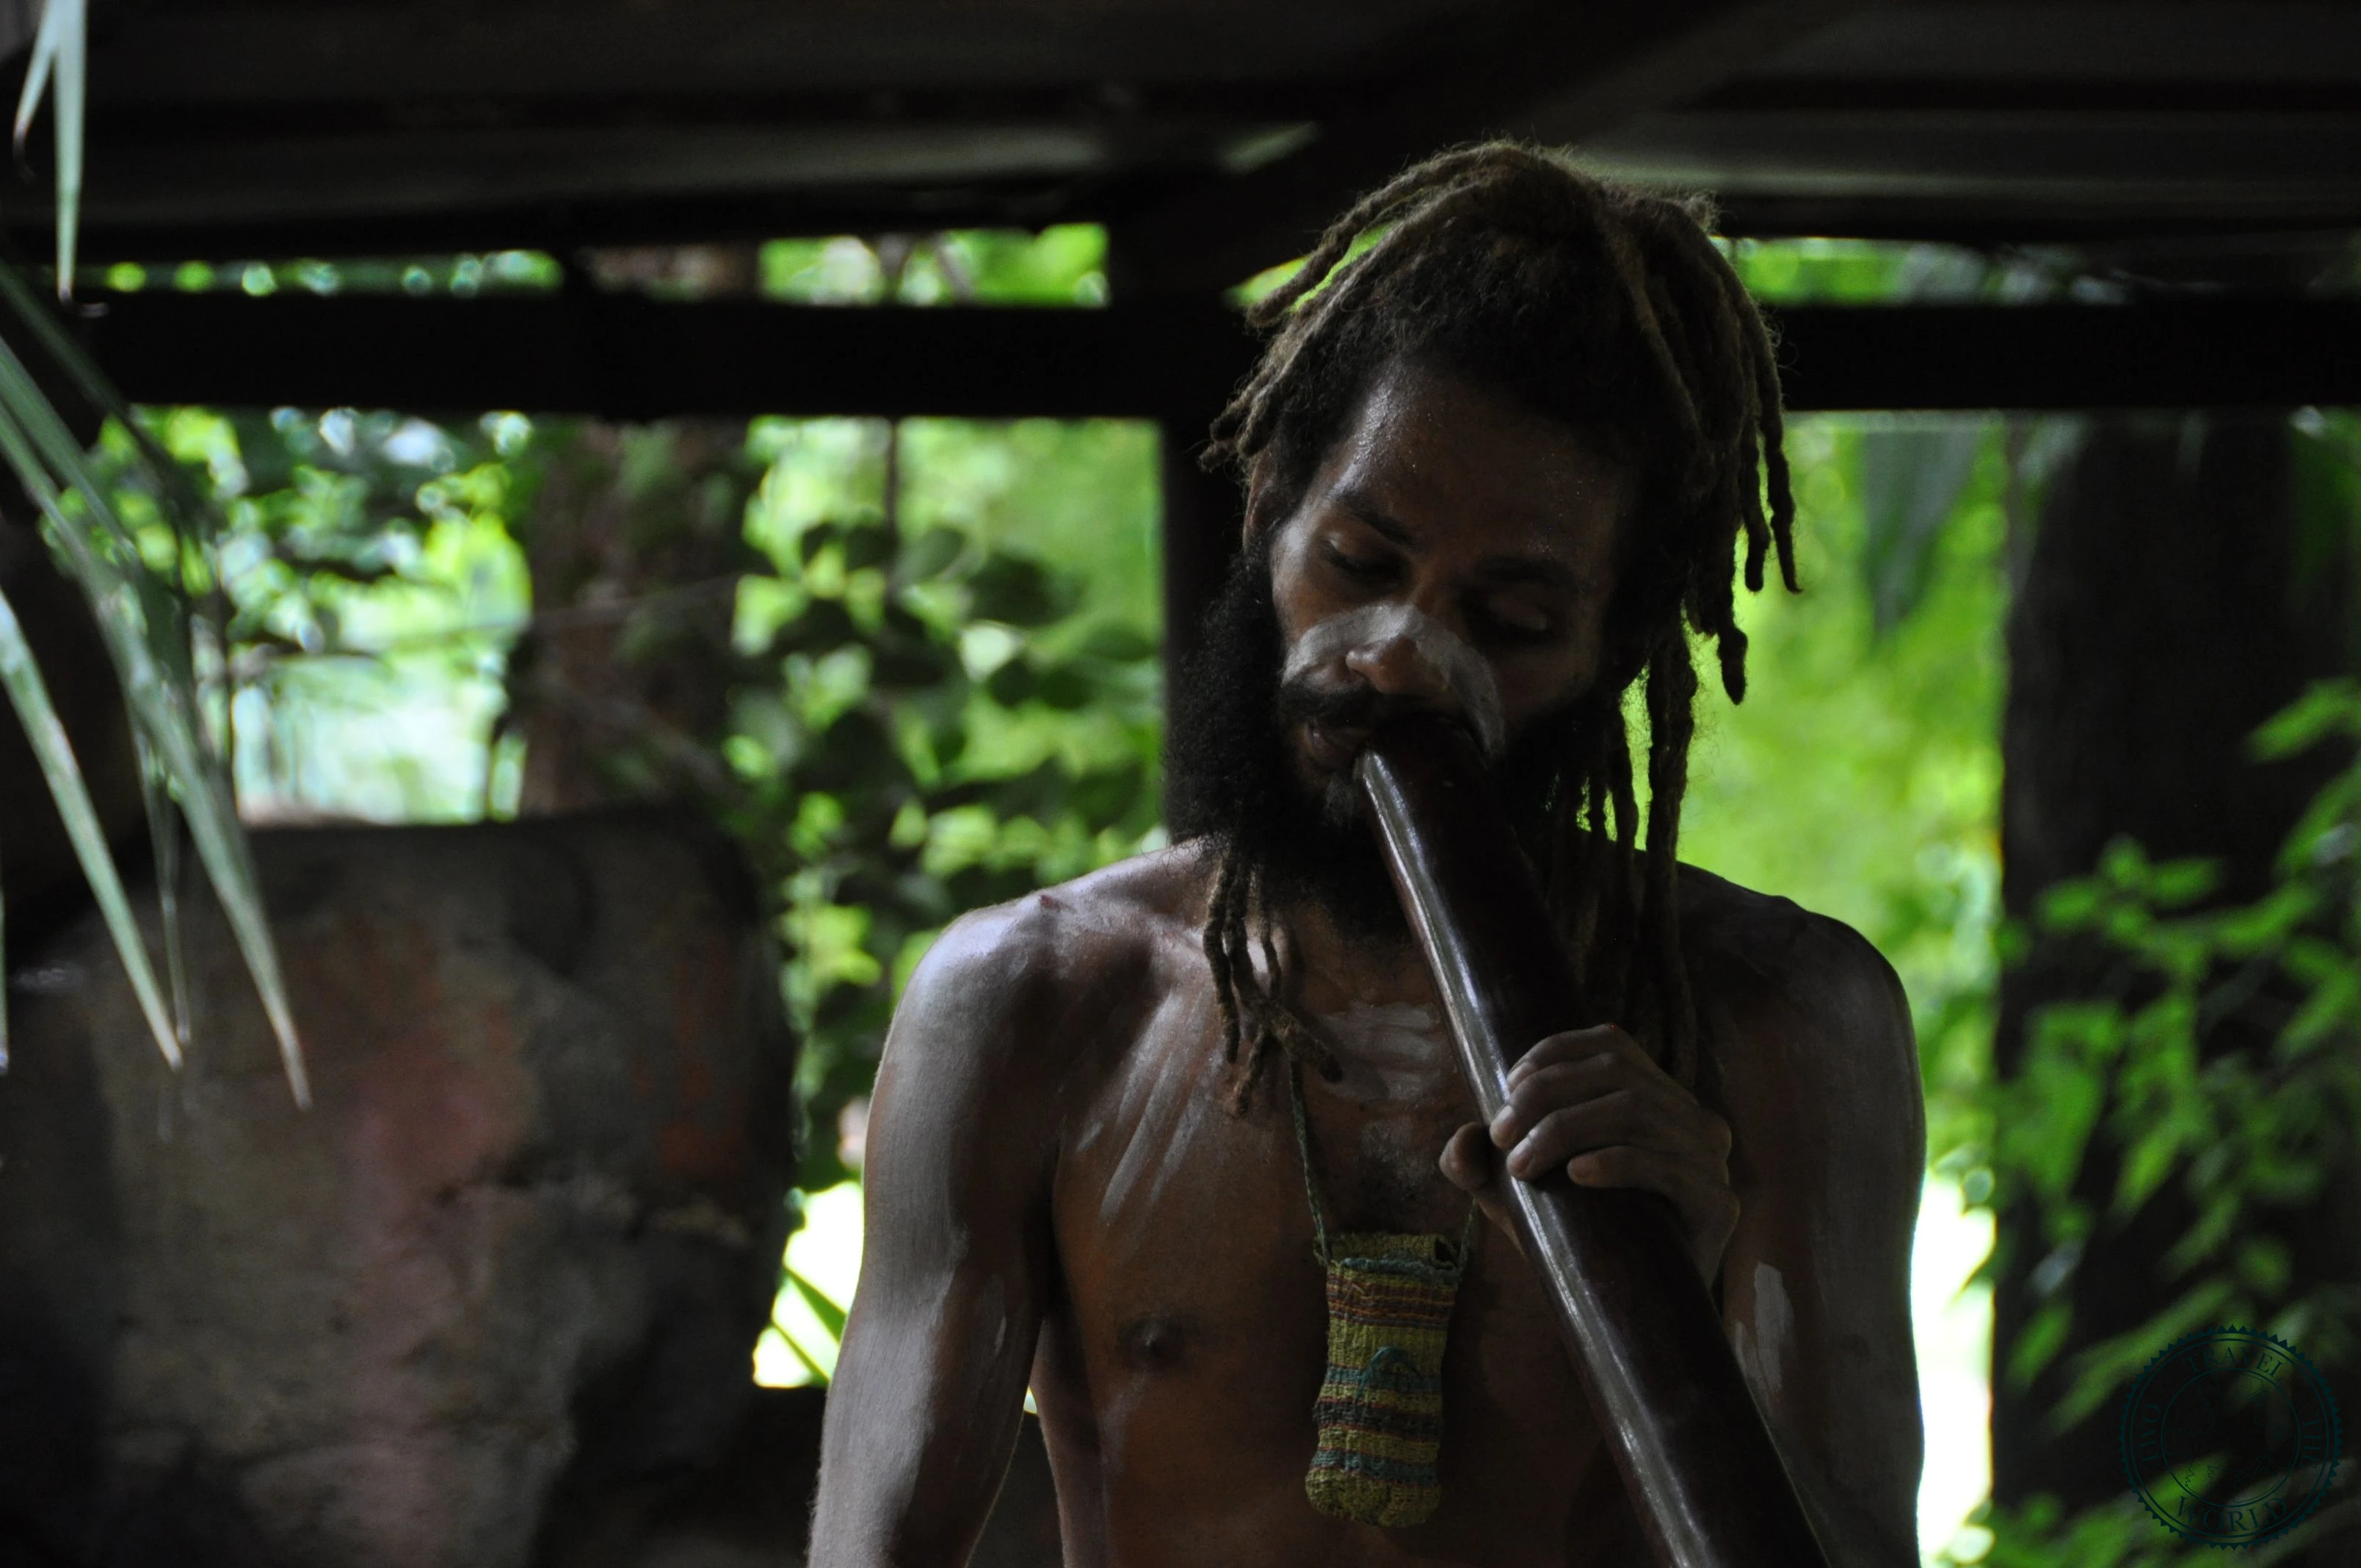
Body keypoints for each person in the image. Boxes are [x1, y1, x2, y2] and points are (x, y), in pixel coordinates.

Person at [809, 142, 1924, 1567]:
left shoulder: (1778, 1026)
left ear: (1612, 653)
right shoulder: (1028, 1005)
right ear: (1269, 502)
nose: (1400, 654)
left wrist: (1689, 1305)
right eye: (1358, 559)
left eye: (1508, 622)